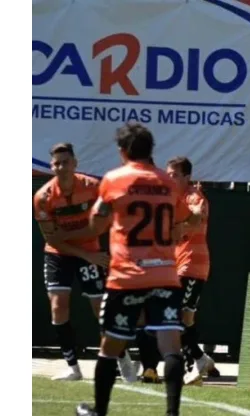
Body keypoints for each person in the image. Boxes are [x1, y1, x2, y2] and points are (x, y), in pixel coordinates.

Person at [76, 122, 191, 416]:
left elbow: (96, 225)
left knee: (110, 345)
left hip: (127, 275)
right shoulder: (168, 182)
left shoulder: (114, 179)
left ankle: (100, 410)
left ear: (123, 151)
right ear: (151, 150)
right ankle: (172, 412)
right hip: (165, 273)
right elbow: (180, 222)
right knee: (171, 346)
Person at [33, 143, 136, 382]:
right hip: (60, 255)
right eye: (56, 163)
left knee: (101, 309)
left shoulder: (93, 188)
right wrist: (83, 252)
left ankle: (122, 358)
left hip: (91, 250)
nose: (61, 167)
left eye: (65, 162)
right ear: (51, 166)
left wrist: (73, 239)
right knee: (58, 307)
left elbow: (103, 224)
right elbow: (52, 240)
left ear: (75, 163)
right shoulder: (42, 197)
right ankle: (73, 367)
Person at [165, 156, 218, 385]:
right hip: (176, 264)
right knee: (185, 318)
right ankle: (200, 359)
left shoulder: (196, 198)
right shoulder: (170, 198)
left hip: (193, 264)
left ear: (187, 177)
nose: (169, 178)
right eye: (168, 174)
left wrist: (172, 229)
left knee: (177, 317)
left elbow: (193, 223)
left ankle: (192, 367)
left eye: (174, 175)